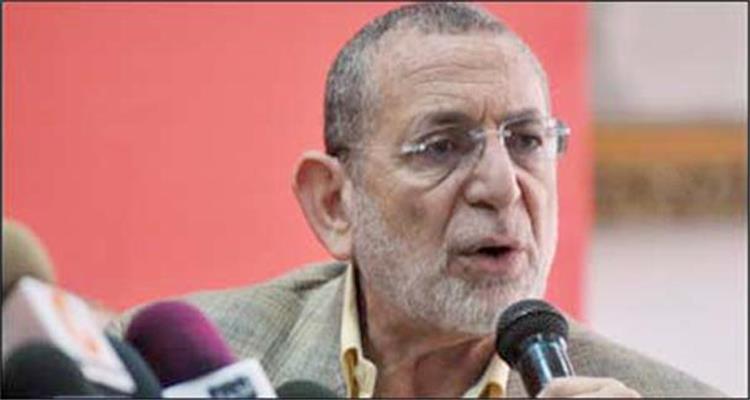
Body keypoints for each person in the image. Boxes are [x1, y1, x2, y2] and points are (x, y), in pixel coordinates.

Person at [112, 3, 723, 397]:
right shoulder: (171, 367)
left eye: (527, 141)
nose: (502, 186)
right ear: (334, 203)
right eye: (442, 147)